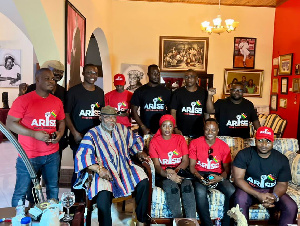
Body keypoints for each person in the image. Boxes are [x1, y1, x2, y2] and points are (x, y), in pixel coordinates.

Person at [74, 106, 150, 226]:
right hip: (103, 170)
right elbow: (82, 156)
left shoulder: (122, 129)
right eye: (107, 117)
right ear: (100, 118)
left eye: (114, 117)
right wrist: (99, 169)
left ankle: (141, 221)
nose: (112, 120)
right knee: (103, 196)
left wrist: (139, 151)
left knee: (144, 182)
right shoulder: (92, 134)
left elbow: (135, 141)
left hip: (124, 166)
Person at [6, 68, 65, 206]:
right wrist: (33, 134)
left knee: (53, 188)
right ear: (37, 80)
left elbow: (61, 120)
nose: (52, 82)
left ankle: (51, 217)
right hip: (28, 155)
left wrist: (60, 133)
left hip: (52, 154)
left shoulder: (57, 102)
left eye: (52, 79)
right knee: (22, 191)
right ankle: (19, 219)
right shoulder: (23, 100)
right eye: (47, 78)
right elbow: (10, 123)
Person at [233, 126, 297, 225]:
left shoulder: (281, 159)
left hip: (271, 190)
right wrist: (258, 195)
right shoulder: (244, 154)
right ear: (255, 140)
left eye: (268, 141)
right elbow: (238, 179)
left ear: (273, 142)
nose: (264, 145)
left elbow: (283, 184)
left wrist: (274, 196)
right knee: (240, 199)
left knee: (291, 206)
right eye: (260, 140)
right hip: (249, 189)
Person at [65, 64, 105, 201]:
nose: (93, 75)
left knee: (94, 169)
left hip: (96, 139)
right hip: (78, 139)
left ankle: (91, 201)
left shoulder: (100, 92)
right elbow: (66, 114)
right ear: (83, 73)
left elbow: (102, 115)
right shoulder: (73, 92)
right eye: (89, 72)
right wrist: (75, 133)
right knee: (80, 170)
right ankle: (77, 203)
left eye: (95, 73)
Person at [189, 118, 235, 226]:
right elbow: (191, 167)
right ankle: (207, 224)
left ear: (218, 130)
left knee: (231, 190)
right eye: (207, 129)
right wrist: (199, 177)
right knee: (200, 192)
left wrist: (220, 178)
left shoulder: (223, 146)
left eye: (213, 130)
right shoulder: (195, 143)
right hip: (200, 173)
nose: (210, 132)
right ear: (203, 129)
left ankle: (226, 223)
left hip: (217, 175)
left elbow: (227, 169)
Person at [149, 114, 196, 218]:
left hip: (179, 172)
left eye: (170, 126)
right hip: (163, 174)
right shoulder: (154, 142)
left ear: (173, 127)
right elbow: (156, 165)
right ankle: (178, 220)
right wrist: (168, 175)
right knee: (172, 187)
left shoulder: (180, 139)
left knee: (187, 186)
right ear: (160, 126)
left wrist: (175, 172)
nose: (167, 129)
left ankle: (191, 221)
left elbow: (185, 161)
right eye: (164, 125)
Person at [131, 64, 171, 135]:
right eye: (153, 73)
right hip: (145, 131)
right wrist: (143, 127)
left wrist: (167, 127)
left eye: (158, 73)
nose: (156, 76)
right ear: (148, 74)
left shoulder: (166, 91)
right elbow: (134, 111)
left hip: (162, 131)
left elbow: (171, 111)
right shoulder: (140, 91)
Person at [170, 69, 207, 138]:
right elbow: (173, 111)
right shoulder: (178, 93)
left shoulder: (203, 93)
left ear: (196, 78)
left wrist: (207, 128)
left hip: (199, 132)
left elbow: (206, 113)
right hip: (181, 132)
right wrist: (175, 128)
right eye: (187, 77)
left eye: (192, 76)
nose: (189, 79)